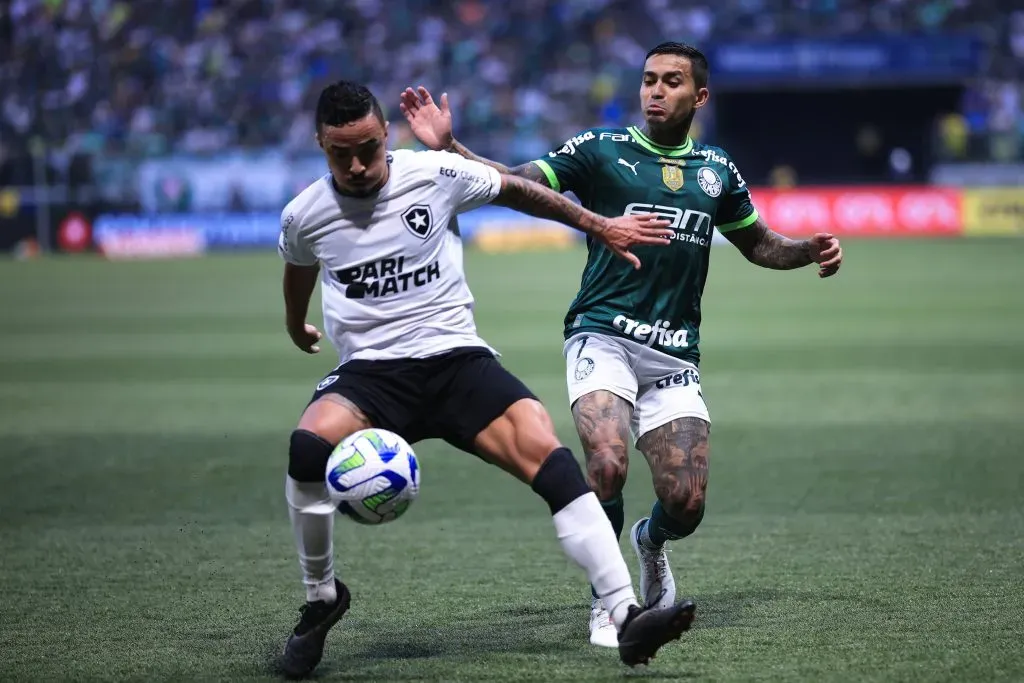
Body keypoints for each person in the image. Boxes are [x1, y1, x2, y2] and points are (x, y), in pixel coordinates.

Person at [400, 41, 843, 648]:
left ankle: (649, 542)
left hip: (673, 355)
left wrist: (806, 250)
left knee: (685, 503)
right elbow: (518, 184)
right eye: (648, 80)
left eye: (671, 82)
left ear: (700, 97)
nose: (655, 91)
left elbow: (759, 244)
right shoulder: (601, 150)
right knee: (606, 462)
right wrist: (451, 150)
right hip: (601, 335)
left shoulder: (717, 171)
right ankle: (610, 605)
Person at [277, 80, 697, 679]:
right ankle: (321, 599)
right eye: (340, 154)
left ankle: (625, 616)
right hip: (371, 375)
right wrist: (297, 325)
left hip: (456, 362)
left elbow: (521, 192)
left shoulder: (434, 174)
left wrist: (596, 224)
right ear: (319, 143)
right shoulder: (305, 213)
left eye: (369, 148)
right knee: (306, 446)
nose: (358, 165)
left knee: (547, 454)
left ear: (385, 134)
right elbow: (298, 267)